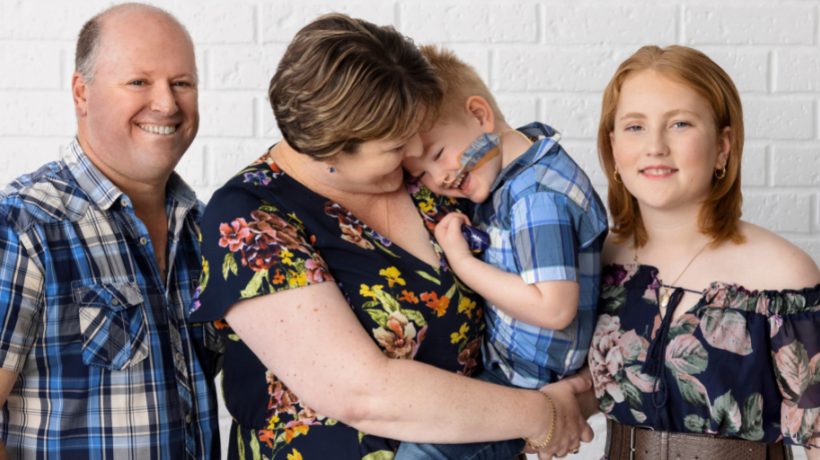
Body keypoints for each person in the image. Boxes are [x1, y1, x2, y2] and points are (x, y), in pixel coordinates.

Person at [188, 13, 594, 460]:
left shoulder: (431, 181)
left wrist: (579, 388)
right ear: (329, 151)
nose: (418, 153)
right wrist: (539, 414)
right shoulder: (251, 219)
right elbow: (361, 392)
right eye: (397, 146)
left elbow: (545, 262)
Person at [0, 4, 222, 459]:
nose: (167, 103)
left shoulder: (206, 228)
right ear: (82, 93)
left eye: (182, 83)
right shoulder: (23, 228)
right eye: (139, 82)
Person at [590, 45, 820, 460]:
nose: (655, 146)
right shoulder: (596, 263)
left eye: (679, 123)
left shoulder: (783, 274)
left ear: (722, 146)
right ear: (613, 150)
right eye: (635, 126)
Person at [397, 45, 608, 459]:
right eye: (421, 173)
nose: (439, 177)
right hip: (506, 370)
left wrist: (461, 262)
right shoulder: (512, 170)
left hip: (526, 384)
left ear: (480, 115)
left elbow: (554, 309)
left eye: (438, 154)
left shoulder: (535, 197)